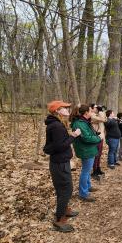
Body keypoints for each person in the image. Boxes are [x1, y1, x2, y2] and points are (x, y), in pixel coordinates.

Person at [44, 100, 81, 233]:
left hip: (60, 162)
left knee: (63, 188)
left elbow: (58, 143)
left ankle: (64, 210)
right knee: (66, 189)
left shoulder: (56, 124)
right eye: (64, 108)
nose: (67, 109)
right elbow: (60, 146)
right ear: (57, 111)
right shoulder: (56, 126)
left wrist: (70, 137)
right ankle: (60, 219)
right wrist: (74, 136)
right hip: (59, 163)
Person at [70, 104, 101, 203]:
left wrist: (96, 135)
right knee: (85, 171)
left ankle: (87, 186)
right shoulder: (79, 123)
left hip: (88, 149)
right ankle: (83, 193)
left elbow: (88, 134)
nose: (92, 112)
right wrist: (99, 138)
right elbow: (86, 138)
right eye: (91, 111)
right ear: (86, 112)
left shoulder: (84, 121)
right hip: (85, 150)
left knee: (87, 170)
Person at [90, 104, 106, 180]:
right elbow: (103, 119)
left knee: (99, 154)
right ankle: (94, 170)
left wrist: (100, 112)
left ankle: (98, 168)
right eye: (96, 107)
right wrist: (101, 112)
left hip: (100, 136)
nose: (97, 108)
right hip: (96, 136)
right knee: (96, 154)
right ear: (92, 108)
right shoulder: (92, 115)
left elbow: (105, 119)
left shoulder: (98, 115)